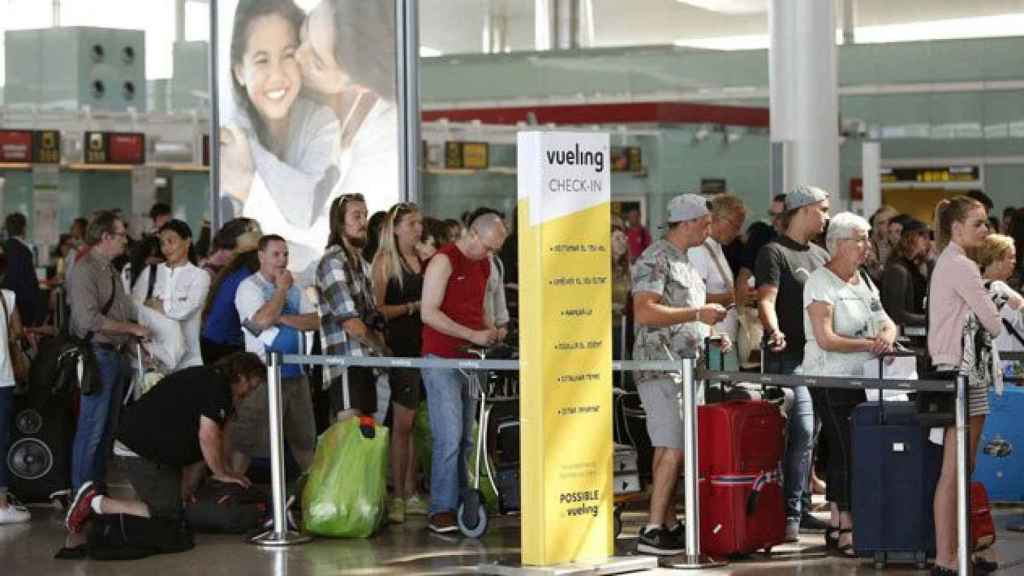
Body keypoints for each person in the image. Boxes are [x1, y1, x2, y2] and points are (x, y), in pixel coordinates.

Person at [63, 353, 264, 533]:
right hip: (139, 451)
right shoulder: (217, 387)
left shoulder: (213, 382)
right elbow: (208, 437)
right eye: (251, 386)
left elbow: (209, 444)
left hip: (155, 451)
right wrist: (222, 474)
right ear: (240, 375)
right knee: (168, 514)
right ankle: (95, 503)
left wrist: (221, 474)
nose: (250, 393)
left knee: (177, 504)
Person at [632, 194, 729, 555]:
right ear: (686, 223)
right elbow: (645, 312)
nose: (709, 228)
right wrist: (697, 314)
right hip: (661, 364)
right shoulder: (656, 258)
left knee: (673, 447)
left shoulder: (684, 261)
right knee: (673, 448)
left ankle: (668, 523)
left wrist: (710, 331)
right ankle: (652, 529)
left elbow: (690, 313)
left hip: (686, 366)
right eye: (705, 222)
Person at [799, 212, 897, 557]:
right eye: (860, 238)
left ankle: (841, 520)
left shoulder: (864, 280)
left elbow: (885, 320)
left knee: (854, 450)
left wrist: (885, 336)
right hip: (831, 377)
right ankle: (848, 525)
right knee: (845, 449)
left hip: (865, 379)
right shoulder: (820, 282)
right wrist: (871, 344)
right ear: (838, 244)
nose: (866, 245)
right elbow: (825, 338)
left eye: (867, 238)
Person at [221, 0, 341, 275]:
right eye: (262, 60)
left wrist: (249, 174)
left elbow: (306, 212)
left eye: (288, 55)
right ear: (240, 70)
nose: (277, 74)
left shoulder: (321, 121)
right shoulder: (232, 128)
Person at [419, 211, 507, 534]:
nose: (491, 255)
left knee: (467, 438)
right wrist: (472, 335)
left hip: (472, 358)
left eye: (495, 249)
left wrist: (491, 329)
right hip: (441, 358)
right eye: (488, 247)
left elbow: (479, 306)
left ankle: (460, 499)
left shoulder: (484, 264)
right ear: (472, 235)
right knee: (449, 436)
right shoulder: (444, 261)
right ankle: (440, 508)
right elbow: (428, 313)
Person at [928, 196, 1002, 576]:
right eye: (979, 224)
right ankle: (947, 557)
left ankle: (957, 553)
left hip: (955, 371)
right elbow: (992, 322)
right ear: (956, 229)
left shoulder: (951, 263)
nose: (986, 230)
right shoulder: (961, 266)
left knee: (960, 467)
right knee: (955, 468)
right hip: (961, 373)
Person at [755, 184, 832, 541]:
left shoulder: (819, 255)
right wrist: (774, 330)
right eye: (823, 209)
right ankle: (788, 513)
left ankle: (798, 509)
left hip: (819, 358)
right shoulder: (773, 252)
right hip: (788, 360)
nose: (827, 217)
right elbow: (766, 299)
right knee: (799, 431)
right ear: (803, 210)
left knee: (812, 433)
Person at [66, 211, 151, 527]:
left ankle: (96, 496)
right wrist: (132, 329)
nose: (125, 240)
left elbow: (119, 312)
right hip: (97, 356)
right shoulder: (85, 269)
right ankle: (81, 496)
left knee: (105, 431)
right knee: (91, 429)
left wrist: (135, 344)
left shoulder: (110, 270)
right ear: (105, 237)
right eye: (120, 234)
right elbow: (88, 321)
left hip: (115, 356)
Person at [296, 0, 399, 217]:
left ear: (361, 84)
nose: (297, 55)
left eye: (316, 61)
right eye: (305, 28)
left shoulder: (388, 142)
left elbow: (346, 229)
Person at [231, 234, 319, 476]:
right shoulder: (249, 287)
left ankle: (314, 497)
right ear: (261, 256)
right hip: (262, 374)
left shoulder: (296, 287)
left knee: (304, 438)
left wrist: (282, 318)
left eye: (286, 254)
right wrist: (280, 291)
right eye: (276, 254)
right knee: (248, 438)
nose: (282, 260)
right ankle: (232, 488)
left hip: (296, 372)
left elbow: (315, 321)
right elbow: (261, 322)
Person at [371, 202, 429, 524]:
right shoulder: (385, 262)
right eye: (410, 224)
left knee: (417, 422)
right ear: (395, 228)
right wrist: (411, 306)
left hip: (426, 346)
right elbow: (378, 309)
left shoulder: (423, 258)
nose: (417, 229)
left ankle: (411, 489)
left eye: (419, 223)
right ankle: (398, 495)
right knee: (402, 423)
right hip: (401, 345)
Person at [315, 194, 387, 423]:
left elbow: (368, 316)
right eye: (356, 216)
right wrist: (382, 347)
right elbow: (351, 323)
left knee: (366, 436)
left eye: (365, 215)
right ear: (339, 222)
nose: (363, 222)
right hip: (346, 360)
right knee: (350, 434)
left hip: (366, 360)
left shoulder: (362, 264)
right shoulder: (333, 262)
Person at [131, 220, 210, 371]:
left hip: (188, 360)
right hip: (152, 358)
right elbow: (136, 307)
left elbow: (187, 310)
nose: (166, 248)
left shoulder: (200, 276)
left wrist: (159, 305)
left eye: (171, 241)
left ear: (187, 242)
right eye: (162, 243)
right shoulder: (151, 272)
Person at [688, 194, 746, 365]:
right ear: (716, 218)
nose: (738, 232)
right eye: (735, 225)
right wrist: (734, 298)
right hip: (713, 342)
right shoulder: (698, 250)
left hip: (722, 340)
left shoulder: (716, 247)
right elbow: (692, 301)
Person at [733, 194, 785, 367]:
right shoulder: (761, 235)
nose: (775, 220)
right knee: (755, 367)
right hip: (758, 322)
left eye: (780, 215)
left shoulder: (805, 243)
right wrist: (746, 293)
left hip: (790, 322)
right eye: (772, 214)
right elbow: (744, 275)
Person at [0, 249, 30, 525]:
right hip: (2, 380)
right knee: (1, 441)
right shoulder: (7, 298)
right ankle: (1, 504)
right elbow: (18, 334)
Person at [201, 248, 261, 364]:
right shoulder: (246, 279)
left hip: (211, 338)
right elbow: (247, 320)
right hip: (224, 344)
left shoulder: (234, 273)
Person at [973, 235, 1024, 355]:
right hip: (1010, 364)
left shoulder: (976, 288)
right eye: (1010, 257)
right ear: (997, 260)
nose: (1014, 262)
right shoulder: (998, 288)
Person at [880, 218, 931, 335]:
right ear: (911, 238)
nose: (927, 242)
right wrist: (930, 319)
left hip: (916, 334)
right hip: (904, 339)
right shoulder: (898, 270)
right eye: (923, 237)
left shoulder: (912, 266)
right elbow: (897, 315)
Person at [2, 213, 44, 327]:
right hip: (23, 305)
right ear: (24, 228)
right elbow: (30, 283)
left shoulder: (4, 248)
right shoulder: (24, 251)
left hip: (5, 302)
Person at [611, 216, 632, 366]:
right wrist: (612, 306)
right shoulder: (599, 269)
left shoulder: (627, 269)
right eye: (617, 239)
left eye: (624, 238)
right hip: (603, 327)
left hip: (622, 325)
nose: (623, 241)